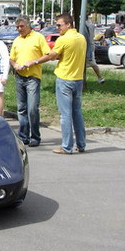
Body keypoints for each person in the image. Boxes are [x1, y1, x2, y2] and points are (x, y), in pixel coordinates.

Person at [32, 13, 87, 155]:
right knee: (77, 113)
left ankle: (66, 146)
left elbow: (52, 55)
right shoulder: (81, 38)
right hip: (78, 78)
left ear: (68, 25)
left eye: (59, 25)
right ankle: (81, 144)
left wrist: (35, 61)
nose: (57, 28)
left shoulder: (64, 39)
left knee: (65, 115)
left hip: (65, 78)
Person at [10, 15, 51, 146]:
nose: (19, 29)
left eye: (21, 26)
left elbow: (48, 55)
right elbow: (11, 58)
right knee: (21, 108)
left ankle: (35, 136)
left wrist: (34, 62)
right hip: (19, 76)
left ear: (28, 25)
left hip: (33, 77)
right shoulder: (17, 40)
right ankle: (23, 136)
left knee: (32, 108)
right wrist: (14, 64)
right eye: (17, 27)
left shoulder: (38, 37)